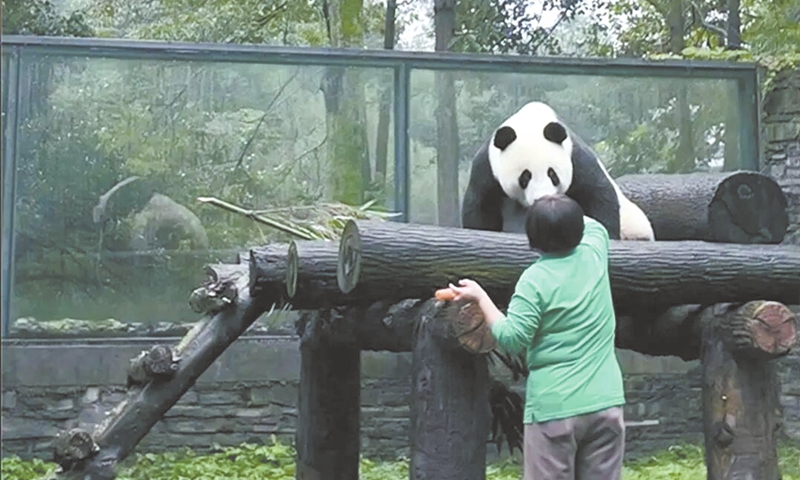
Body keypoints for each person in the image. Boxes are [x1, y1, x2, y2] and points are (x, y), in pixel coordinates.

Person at [448, 193, 626, 480]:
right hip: (605, 404)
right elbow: (594, 226)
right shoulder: (594, 251)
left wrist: (481, 297)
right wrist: (559, 201)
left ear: (531, 238)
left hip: (555, 410)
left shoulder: (534, 281)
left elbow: (512, 338)